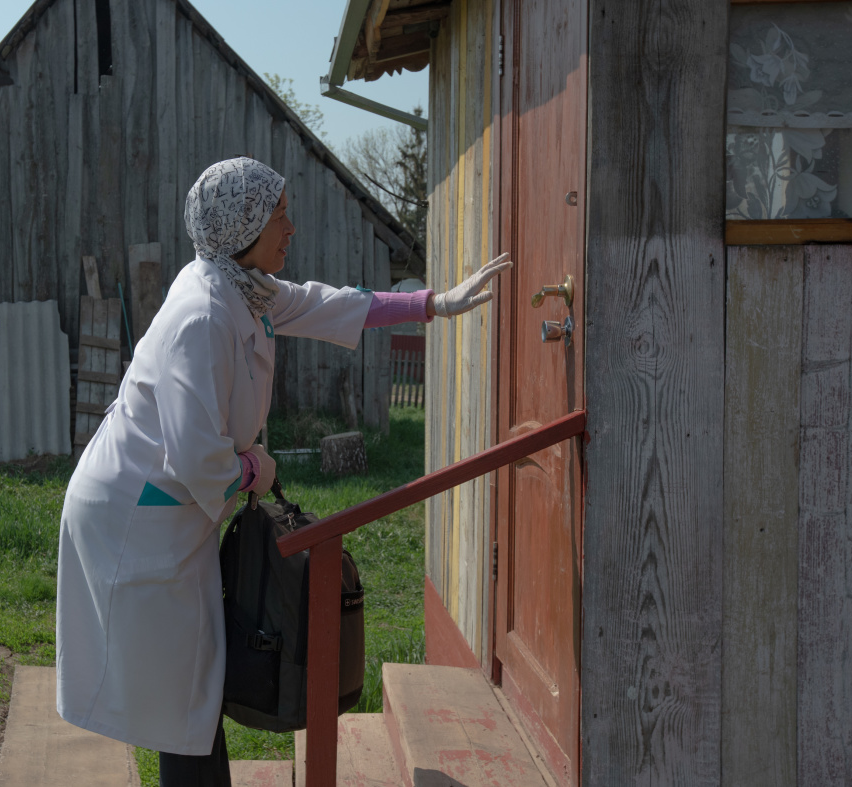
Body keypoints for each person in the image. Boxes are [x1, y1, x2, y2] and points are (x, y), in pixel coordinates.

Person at [55, 157, 512, 786]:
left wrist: (432, 302)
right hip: (136, 519)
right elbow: (195, 456)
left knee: (191, 688)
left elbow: (328, 305)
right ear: (242, 226)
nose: (291, 228)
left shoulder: (247, 289)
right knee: (182, 692)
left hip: (172, 509)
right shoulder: (202, 313)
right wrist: (256, 469)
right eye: (279, 216)